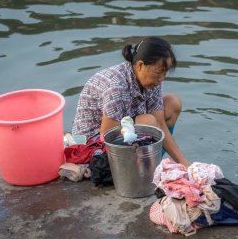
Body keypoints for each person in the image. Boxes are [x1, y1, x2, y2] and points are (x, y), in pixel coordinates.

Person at [72, 36, 190, 167]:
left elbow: (160, 123)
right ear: (140, 65)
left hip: (126, 128)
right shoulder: (116, 87)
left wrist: (185, 164)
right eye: (158, 73)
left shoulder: (152, 80)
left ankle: (152, 162)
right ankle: (145, 167)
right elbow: (107, 138)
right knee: (148, 122)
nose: (162, 78)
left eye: (165, 73)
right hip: (93, 146)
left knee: (172, 103)